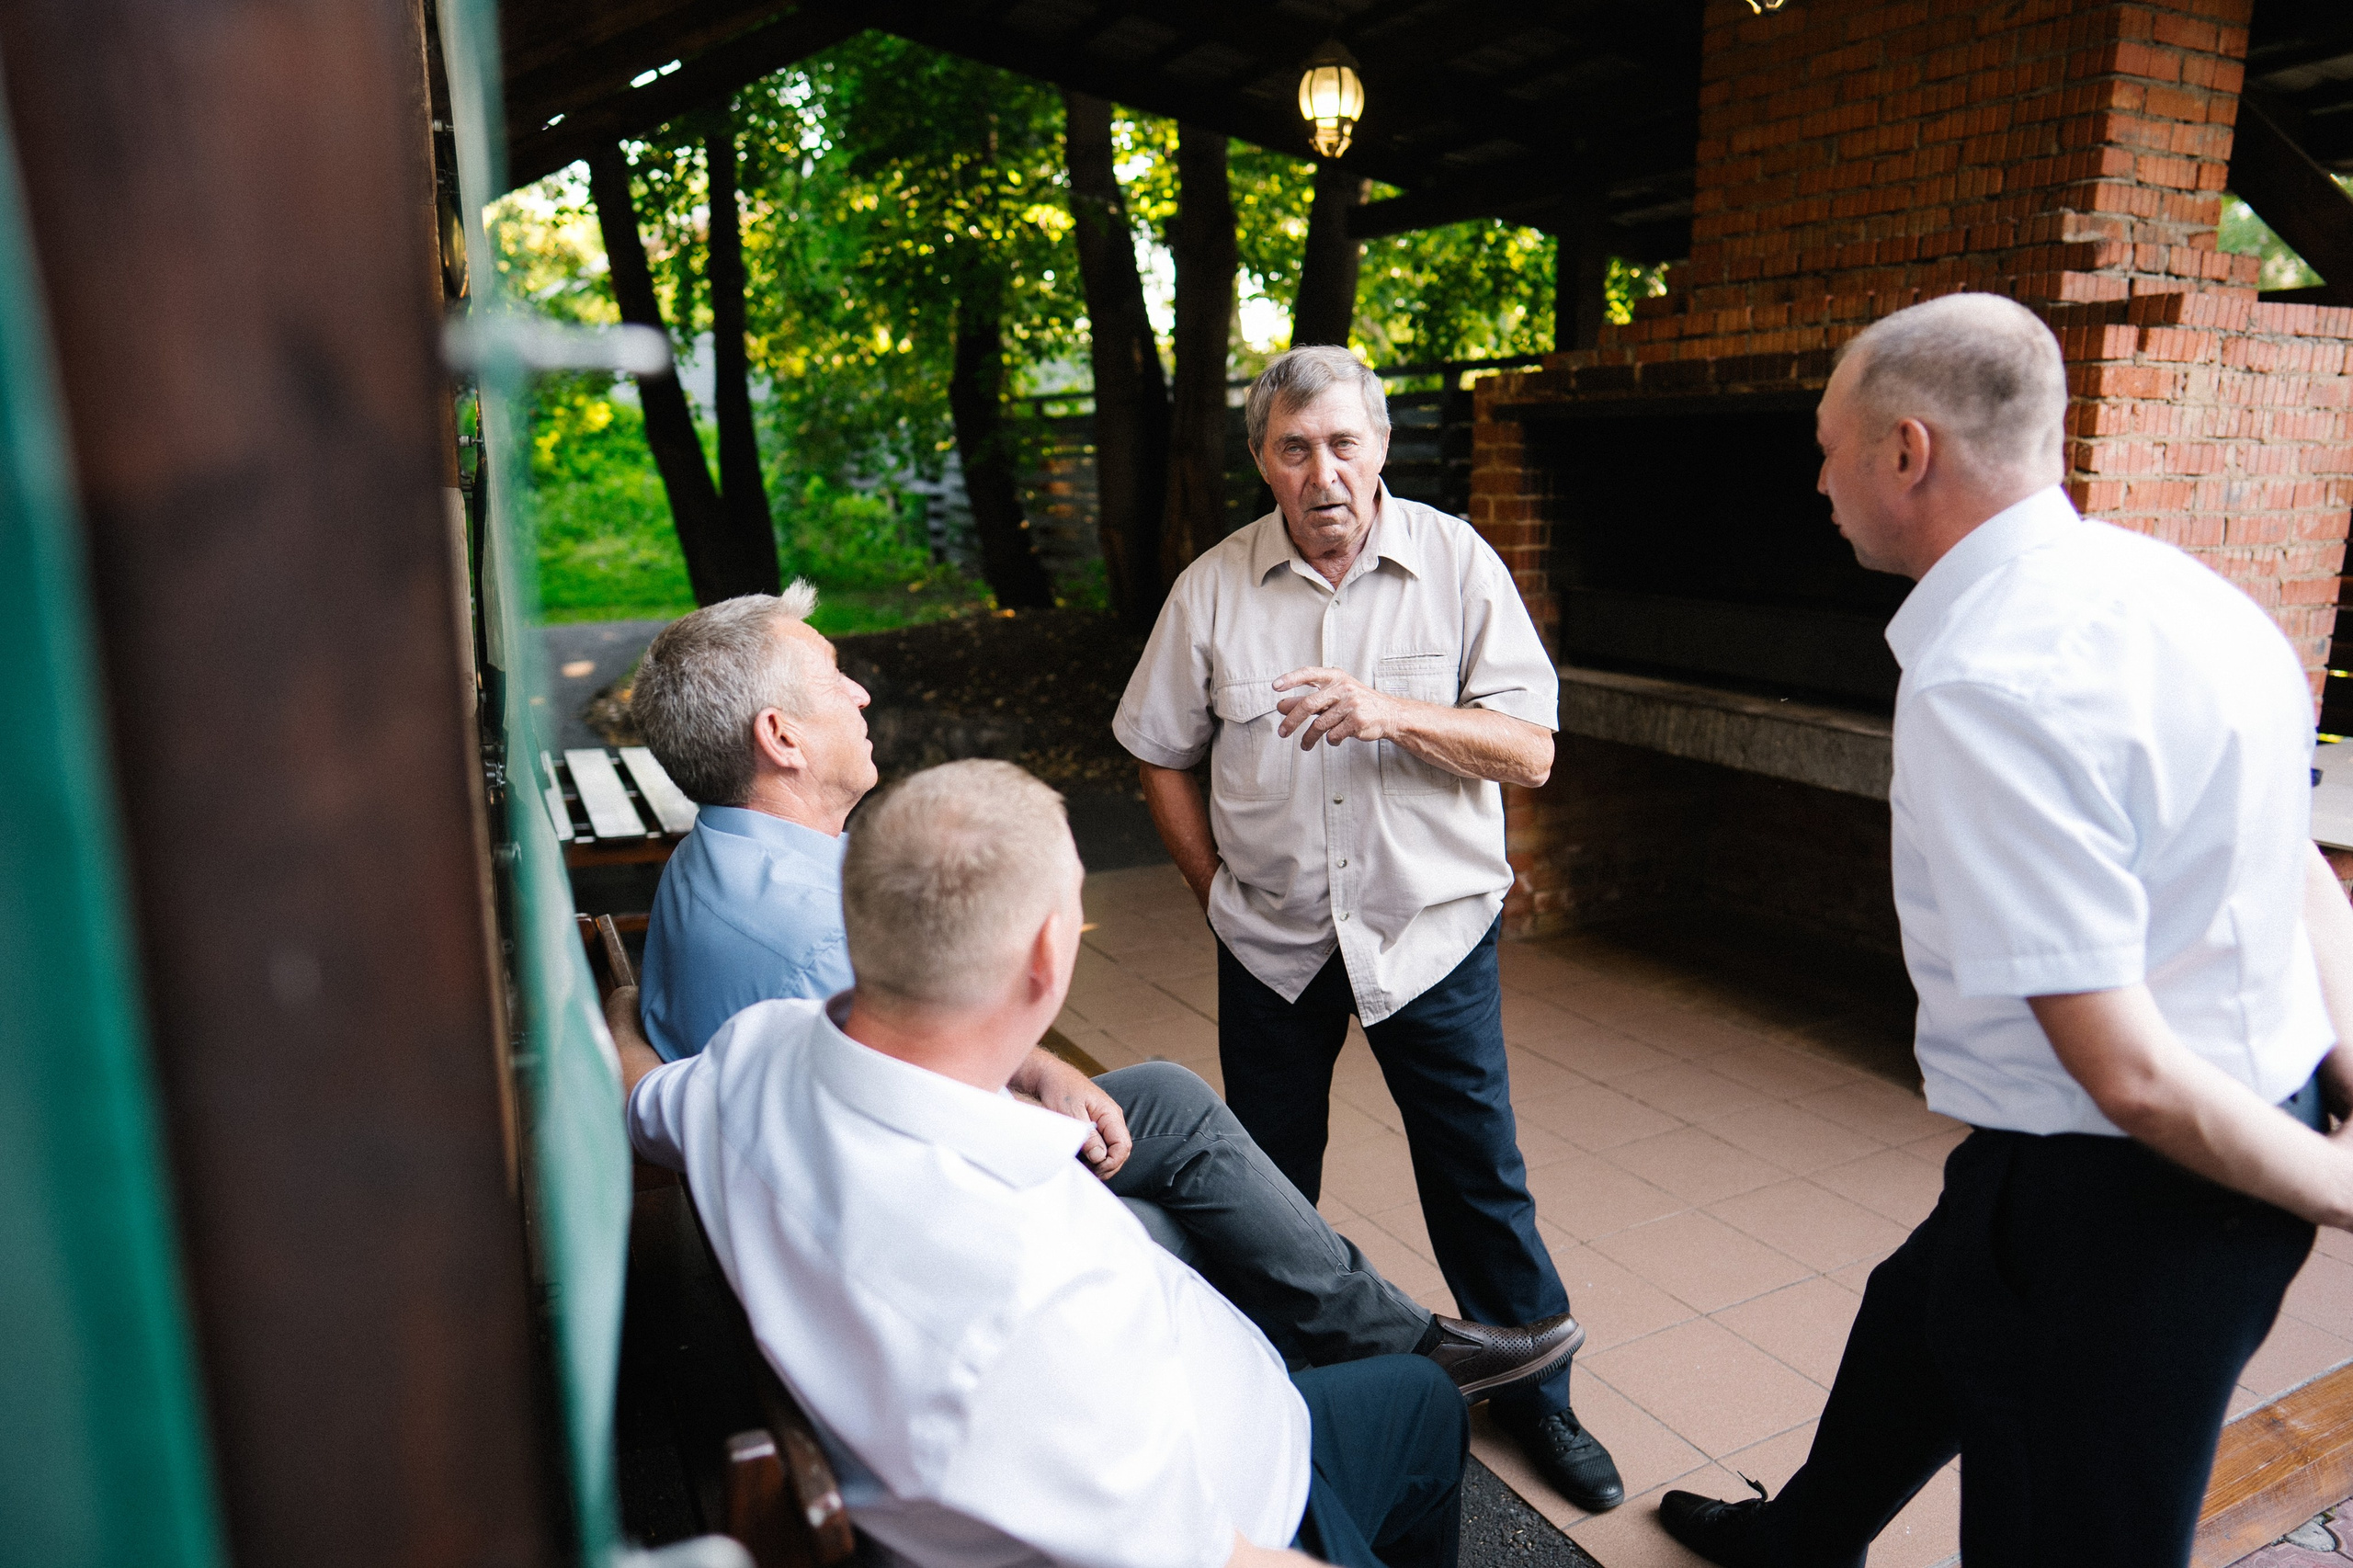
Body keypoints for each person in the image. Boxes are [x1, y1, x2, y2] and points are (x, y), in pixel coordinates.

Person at [1658, 292, 2353, 1568]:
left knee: (2065, 1524)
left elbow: (2130, 1075)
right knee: (1913, 1319)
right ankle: (1802, 1540)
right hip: (2214, 1124)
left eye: (1826, 446)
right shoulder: (2189, 592)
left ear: (1906, 453)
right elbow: (2292, 866)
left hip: (2130, 1190)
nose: (1817, 480)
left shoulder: (1990, 680)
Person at [623, 586, 1581, 1389]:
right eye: (837, 677)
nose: (863, 692)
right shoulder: (812, 934)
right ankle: (1375, 1365)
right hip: (900, 1250)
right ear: (781, 736)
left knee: (1162, 1093)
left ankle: (1382, 1335)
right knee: (1181, 1219)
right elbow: (943, 1149)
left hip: (820, 1192)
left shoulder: (718, 857)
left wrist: (1038, 1064)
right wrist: (1044, 1104)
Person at [620, 761, 1471, 1568]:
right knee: (1420, 1406)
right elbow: (1210, 1553)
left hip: (1189, 1429)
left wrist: (619, 1006)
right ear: (1046, 955)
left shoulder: (755, 1054)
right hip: (1255, 1499)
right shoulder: (1033, 1297)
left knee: (1424, 1401)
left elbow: (640, 1093)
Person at [1111, 345, 1621, 1511]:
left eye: (1343, 442)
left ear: (1379, 445)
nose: (1322, 471)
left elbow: (1532, 751)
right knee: (1264, 1178)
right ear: (1263, 461)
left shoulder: (1455, 561)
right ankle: (1270, 1385)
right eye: (1294, 448)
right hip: (1273, 937)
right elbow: (1156, 749)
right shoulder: (1213, 588)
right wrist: (1211, 890)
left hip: (1428, 931)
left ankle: (1539, 1389)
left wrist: (1384, 710)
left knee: (1476, 1174)